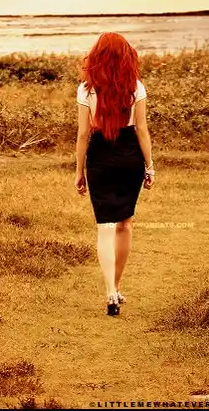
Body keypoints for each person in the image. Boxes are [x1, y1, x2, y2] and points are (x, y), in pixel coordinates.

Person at [74, 32, 155, 316]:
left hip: (100, 157)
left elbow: (83, 134)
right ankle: (117, 287)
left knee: (105, 228)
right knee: (125, 225)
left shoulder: (86, 90)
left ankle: (111, 291)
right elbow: (142, 130)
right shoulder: (136, 87)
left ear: (96, 56)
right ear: (125, 57)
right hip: (130, 156)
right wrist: (149, 166)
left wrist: (79, 171)